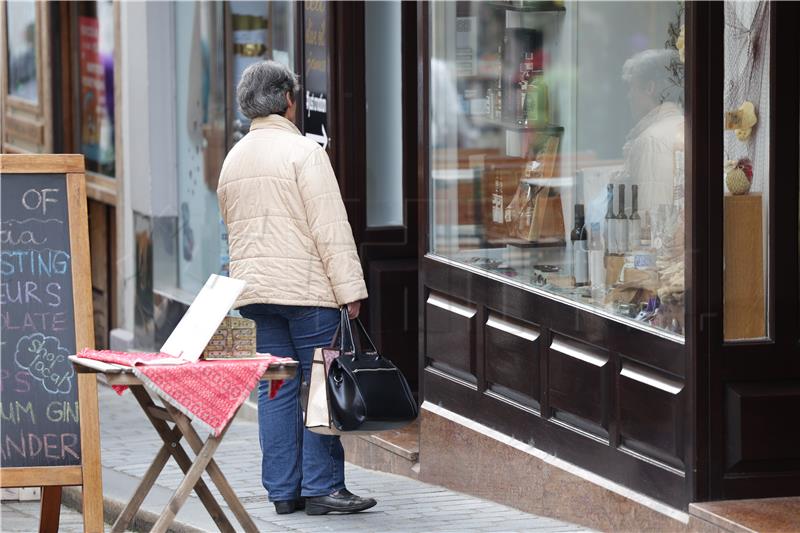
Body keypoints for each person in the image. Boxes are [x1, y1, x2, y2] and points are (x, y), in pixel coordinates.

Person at [217, 60, 375, 516]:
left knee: (277, 389)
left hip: (257, 297)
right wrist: (350, 289)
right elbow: (331, 228)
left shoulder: (234, 159)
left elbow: (231, 228)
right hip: (307, 296)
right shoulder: (305, 153)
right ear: (288, 100)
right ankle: (322, 487)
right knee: (319, 387)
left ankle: (283, 491)